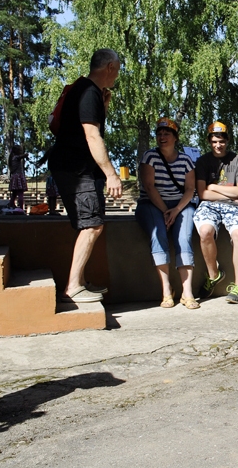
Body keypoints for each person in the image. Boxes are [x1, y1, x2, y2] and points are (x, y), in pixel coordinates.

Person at [49, 48, 122, 303]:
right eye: (117, 70)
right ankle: (73, 287)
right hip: (75, 169)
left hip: (71, 165)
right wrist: (111, 174)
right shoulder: (89, 92)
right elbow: (92, 136)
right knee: (92, 224)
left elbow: (63, 125)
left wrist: (103, 108)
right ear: (110, 68)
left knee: (91, 224)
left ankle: (77, 282)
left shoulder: (83, 90)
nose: (117, 76)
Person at [135, 117, 198, 309]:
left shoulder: (186, 160)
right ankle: (166, 289)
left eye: (167, 133)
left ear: (175, 137)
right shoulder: (150, 157)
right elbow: (149, 186)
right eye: (159, 133)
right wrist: (165, 211)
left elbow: (190, 189)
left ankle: (187, 292)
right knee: (158, 235)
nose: (162, 137)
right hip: (152, 204)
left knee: (184, 238)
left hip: (180, 204)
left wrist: (176, 210)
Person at [193, 121, 238, 303]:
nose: (218, 145)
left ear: (227, 140)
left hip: (235, 207)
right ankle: (214, 274)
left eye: (222, 141)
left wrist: (213, 187)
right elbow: (202, 193)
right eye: (214, 141)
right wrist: (227, 193)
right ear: (209, 141)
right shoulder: (203, 161)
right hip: (209, 205)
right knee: (205, 232)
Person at [8, 144, 29, 211]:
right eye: (20, 150)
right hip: (18, 177)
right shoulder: (16, 157)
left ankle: (11, 206)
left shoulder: (12, 158)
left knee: (14, 194)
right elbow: (23, 156)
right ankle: (21, 208)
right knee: (20, 194)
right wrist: (26, 155)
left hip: (14, 177)